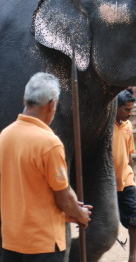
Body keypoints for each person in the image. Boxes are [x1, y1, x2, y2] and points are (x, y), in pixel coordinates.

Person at [0, 72, 91, 261]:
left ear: (25, 99)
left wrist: (64, 213)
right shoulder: (49, 143)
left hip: (11, 241)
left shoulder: (4, 137)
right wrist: (80, 214)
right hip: (43, 244)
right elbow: (63, 198)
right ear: (52, 104)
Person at [112, 90, 136, 262]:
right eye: (126, 110)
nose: (130, 113)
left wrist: (132, 176)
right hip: (106, 183)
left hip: (126, 181)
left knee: (135, 219)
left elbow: (129, 155)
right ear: (115, 108)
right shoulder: (104, 125)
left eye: (131, 110)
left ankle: (132, 257)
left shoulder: (128, 126)